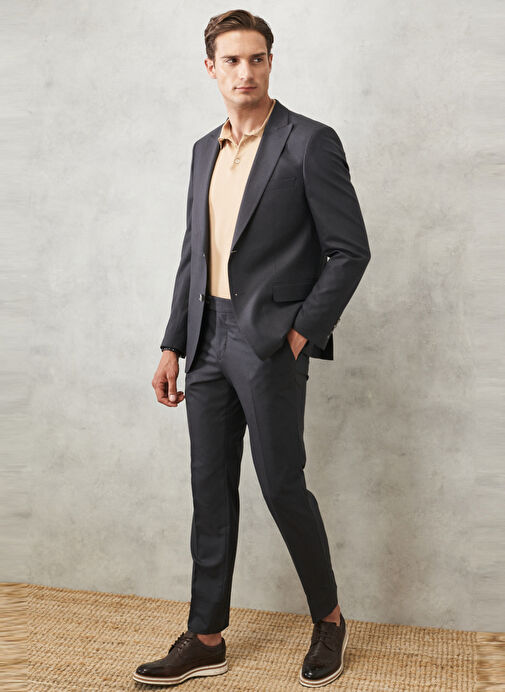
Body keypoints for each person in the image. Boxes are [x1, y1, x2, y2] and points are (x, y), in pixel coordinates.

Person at [134, 8, 370, 688]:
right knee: (209, 489)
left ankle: (328, 619)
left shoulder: (308, 142)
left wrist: (299, 334)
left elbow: (350, 250)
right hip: (205, 335)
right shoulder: (201, 150)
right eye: (233, 60)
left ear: (270, 62)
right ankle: (206, 636)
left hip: (268, 342)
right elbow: (195, 253)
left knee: (281, 485)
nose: (246, 71)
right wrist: (173, 343)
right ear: (211, 68)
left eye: (257, 58)